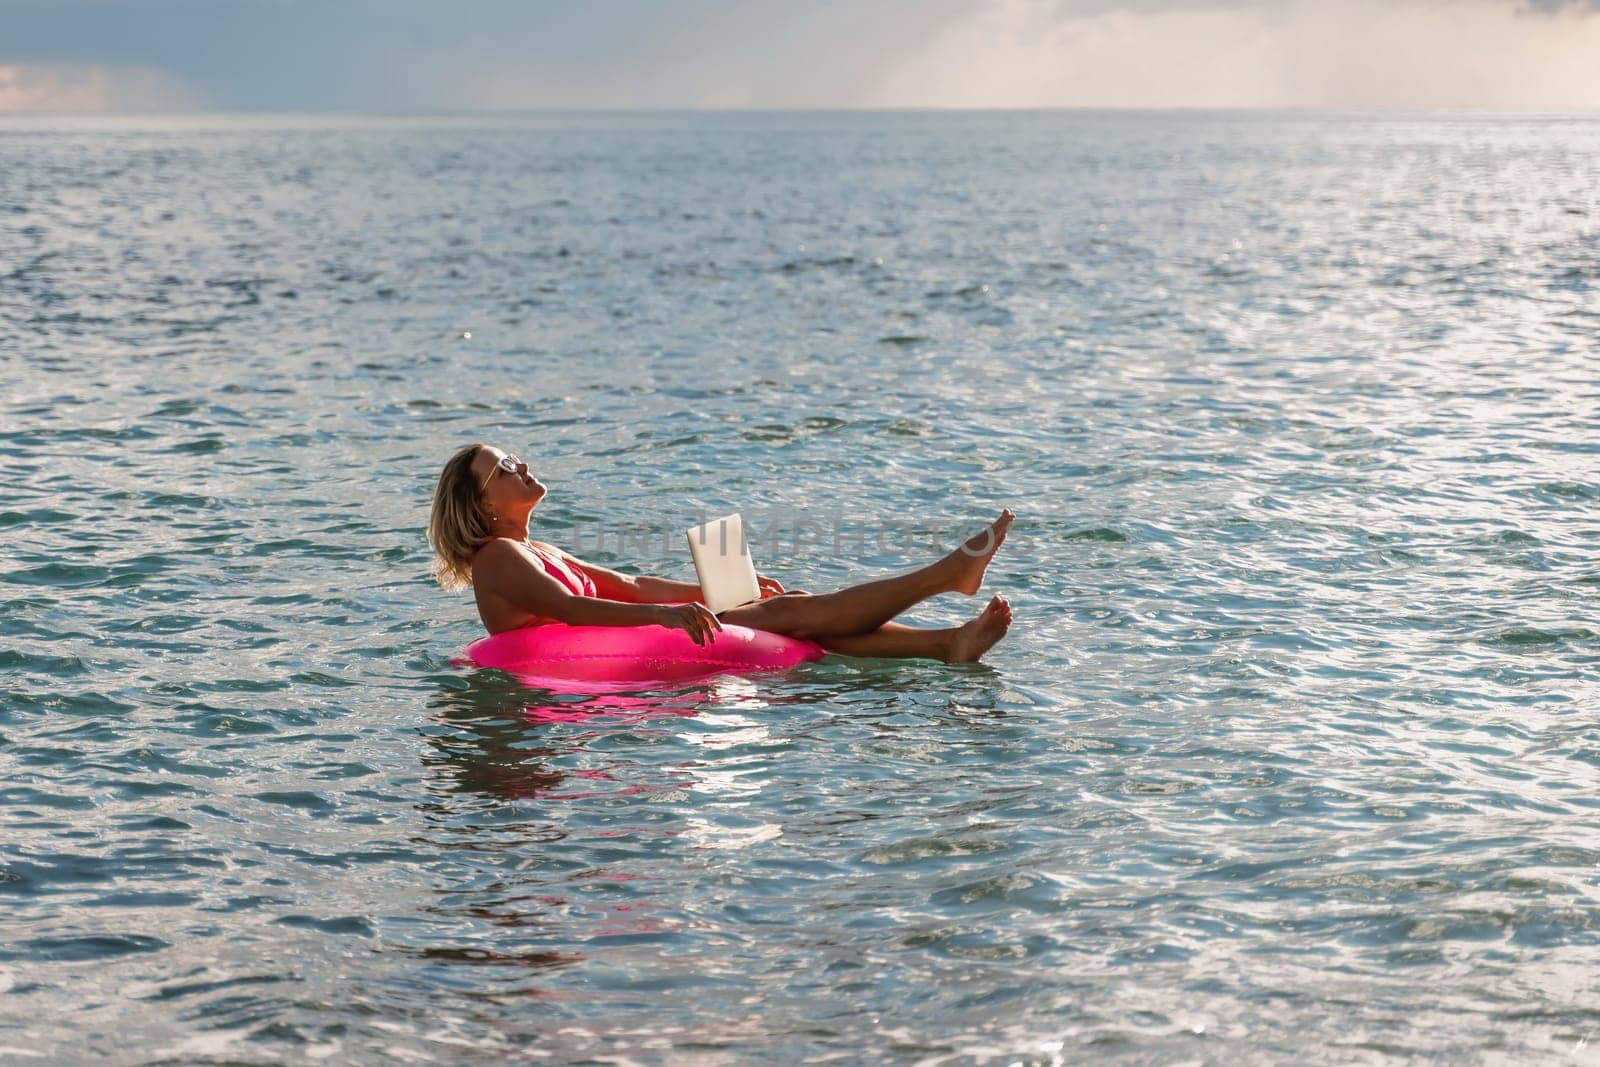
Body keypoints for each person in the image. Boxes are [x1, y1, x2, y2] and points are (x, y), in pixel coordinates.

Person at [428, 443, 1014, 663]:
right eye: (503, 467)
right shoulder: (499, 559)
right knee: (790, 616)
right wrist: (667, 617)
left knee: (788, 606)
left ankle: (945, 643)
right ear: (484, 508)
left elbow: (628, 586)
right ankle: (943, 577)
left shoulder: (535, 548)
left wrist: (726, 591)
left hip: (618, 638)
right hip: (584, 659)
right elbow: (574, 610)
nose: (520, 463)